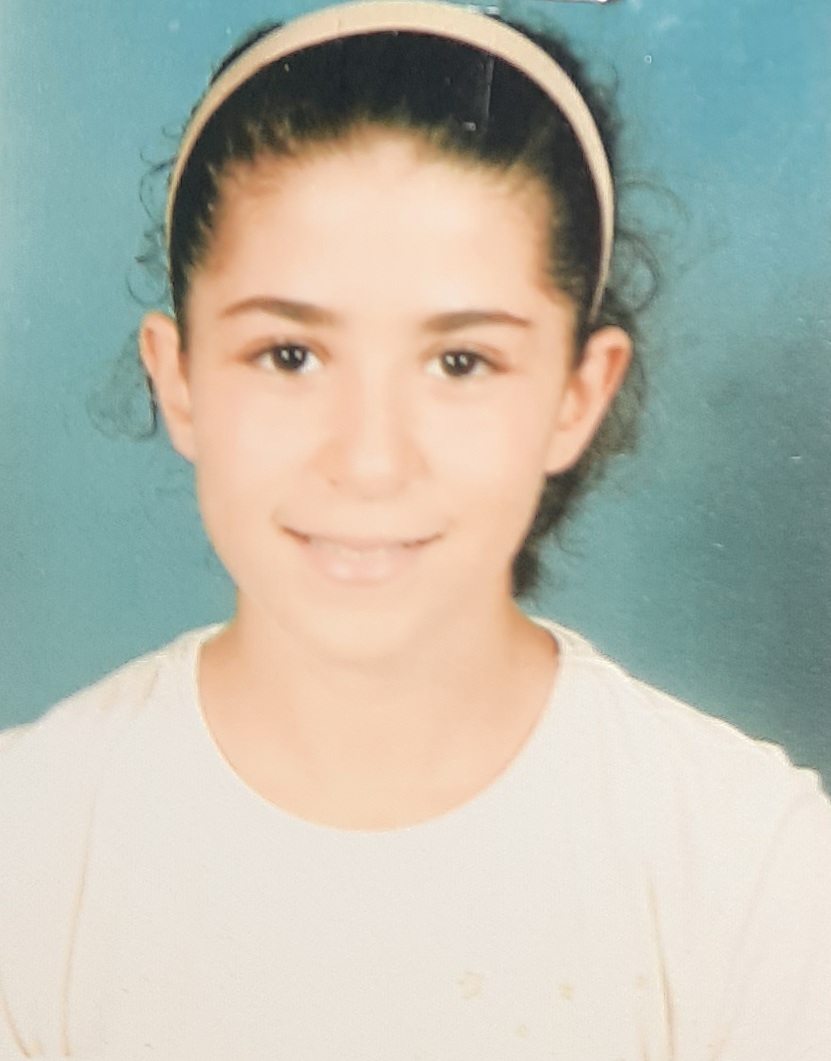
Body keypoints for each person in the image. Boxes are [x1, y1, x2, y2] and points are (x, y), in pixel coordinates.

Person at [1, 2, 829, 1058]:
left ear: (577, 394)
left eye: (460, 362)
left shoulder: (749, 866)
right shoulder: (31, 845)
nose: (370, 459)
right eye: (290, 355)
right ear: (180, 378)